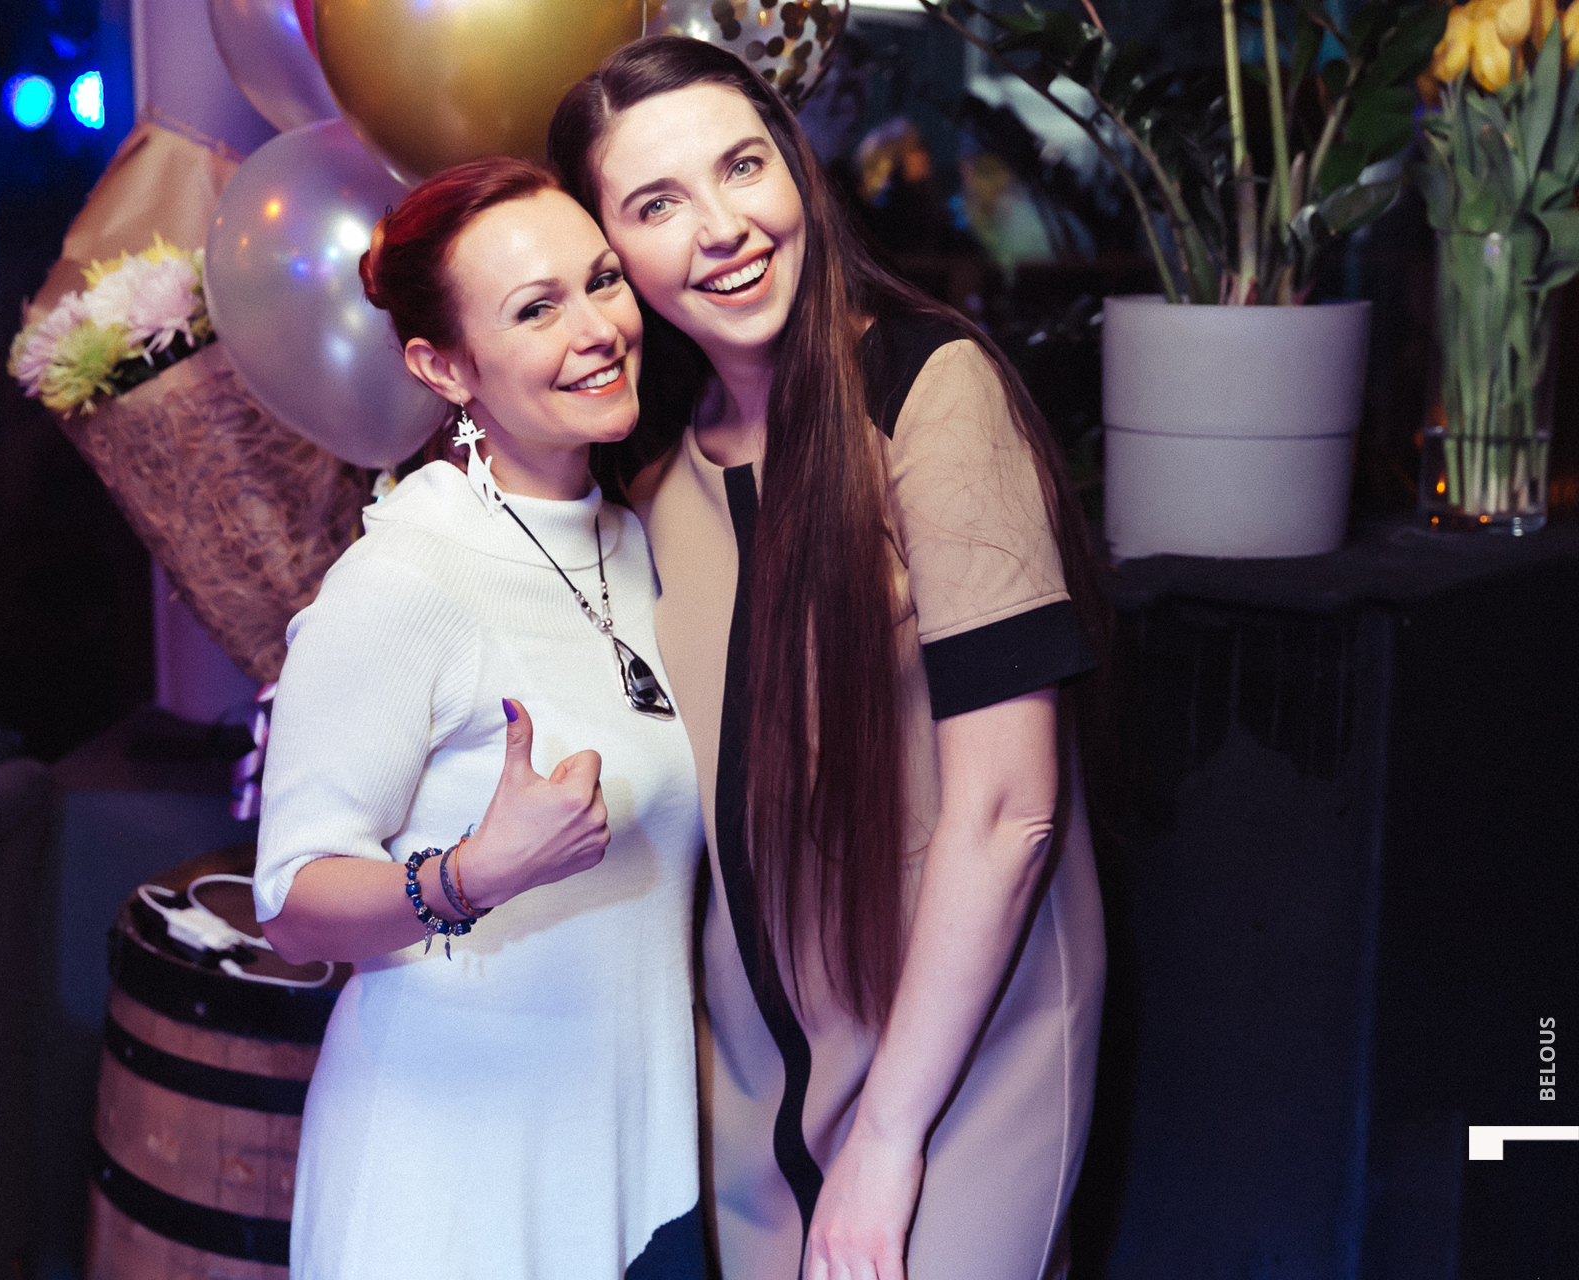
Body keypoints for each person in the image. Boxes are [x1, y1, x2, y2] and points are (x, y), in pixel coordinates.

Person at [549, 37, 1110, 1280]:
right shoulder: (650, 474)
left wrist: (889, 1140)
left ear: (796, 168)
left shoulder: (927, 389)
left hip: (963, 1048)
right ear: (608, 255)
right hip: (752, 1078)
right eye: (656, 204)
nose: (724, 227)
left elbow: (1010, 810)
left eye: (743, 166)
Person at [251, 157, 707, 1280]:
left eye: (602, 280)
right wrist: (469, 874)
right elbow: (289, 903)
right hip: (447, 1191)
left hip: (630, 1170)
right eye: (536, 309)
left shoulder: (639, 538)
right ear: (443, 366)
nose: (597, 329)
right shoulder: (406, 577)